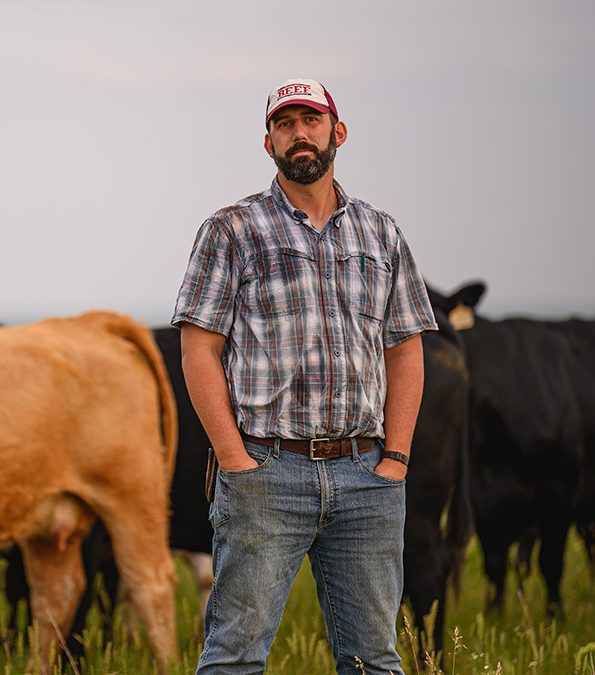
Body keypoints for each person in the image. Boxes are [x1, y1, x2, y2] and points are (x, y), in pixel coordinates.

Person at [172, 78, 436, 675]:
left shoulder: (381, 233)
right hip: (268, 471)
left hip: (367, 474)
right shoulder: (231, 230)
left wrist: (395, 457)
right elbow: (198, 350)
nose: (299, 133)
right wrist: (234, 458)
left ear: (337, 133)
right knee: (235, 658)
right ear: (268, 142)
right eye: (284, 124)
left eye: (310, 120)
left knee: (374, 660)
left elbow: (406, 349)